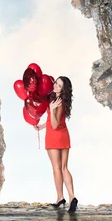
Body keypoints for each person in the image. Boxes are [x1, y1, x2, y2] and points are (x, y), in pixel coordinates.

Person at [34, 76, 78, 213]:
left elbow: (54, 124)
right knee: (64, 167)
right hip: (63, 135)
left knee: (56, 168)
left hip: (54, 137)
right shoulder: (62, 101)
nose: (55, 86)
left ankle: (60, 197)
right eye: (56, 83)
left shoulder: (56, 102)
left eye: (59, 85)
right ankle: (71, 197)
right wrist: (41, 126)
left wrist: (52, 109)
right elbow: (53, 121)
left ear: (63, 89)